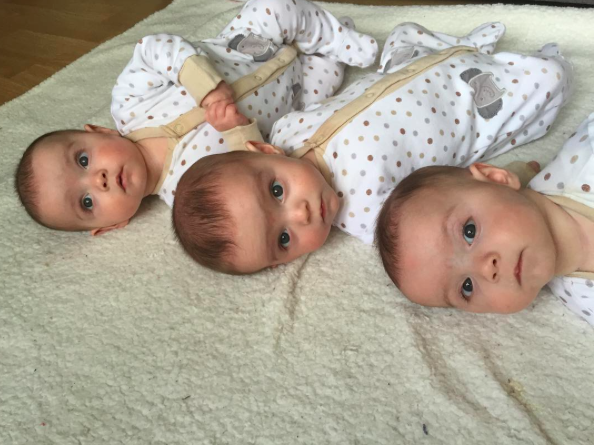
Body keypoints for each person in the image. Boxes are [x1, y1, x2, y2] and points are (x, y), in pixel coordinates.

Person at [172, 21, 573, 274]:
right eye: (284, 240)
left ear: (266, 154)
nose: (300, 214)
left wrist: (234, 129)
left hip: (406, 69)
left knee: (404, 33)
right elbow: (460, 203)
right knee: (549, 78)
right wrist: (514, 178)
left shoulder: (283, 134)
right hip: (467, 106)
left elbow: (245, 151)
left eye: (277, 191)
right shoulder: (374, 218)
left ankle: (458, 47)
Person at [14, 0, 377, 235]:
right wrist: (237, 132)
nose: (99, 180)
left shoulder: (129, 104)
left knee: (277, 6)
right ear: (113, 225)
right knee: (320, 106)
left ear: (98, 132)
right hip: (293, 97)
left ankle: (340, 39)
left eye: (83, 160)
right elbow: (255, 176)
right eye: (87, 202)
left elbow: (153, 49)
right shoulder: (188, 193)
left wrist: (204, 86)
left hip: (245, 46)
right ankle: (327, 43)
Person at [375, 112, 594, 326]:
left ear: (496, 178)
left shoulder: (586, 161)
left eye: (469, 232)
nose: (486, 270)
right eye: (466, 287)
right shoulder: (583, 299)